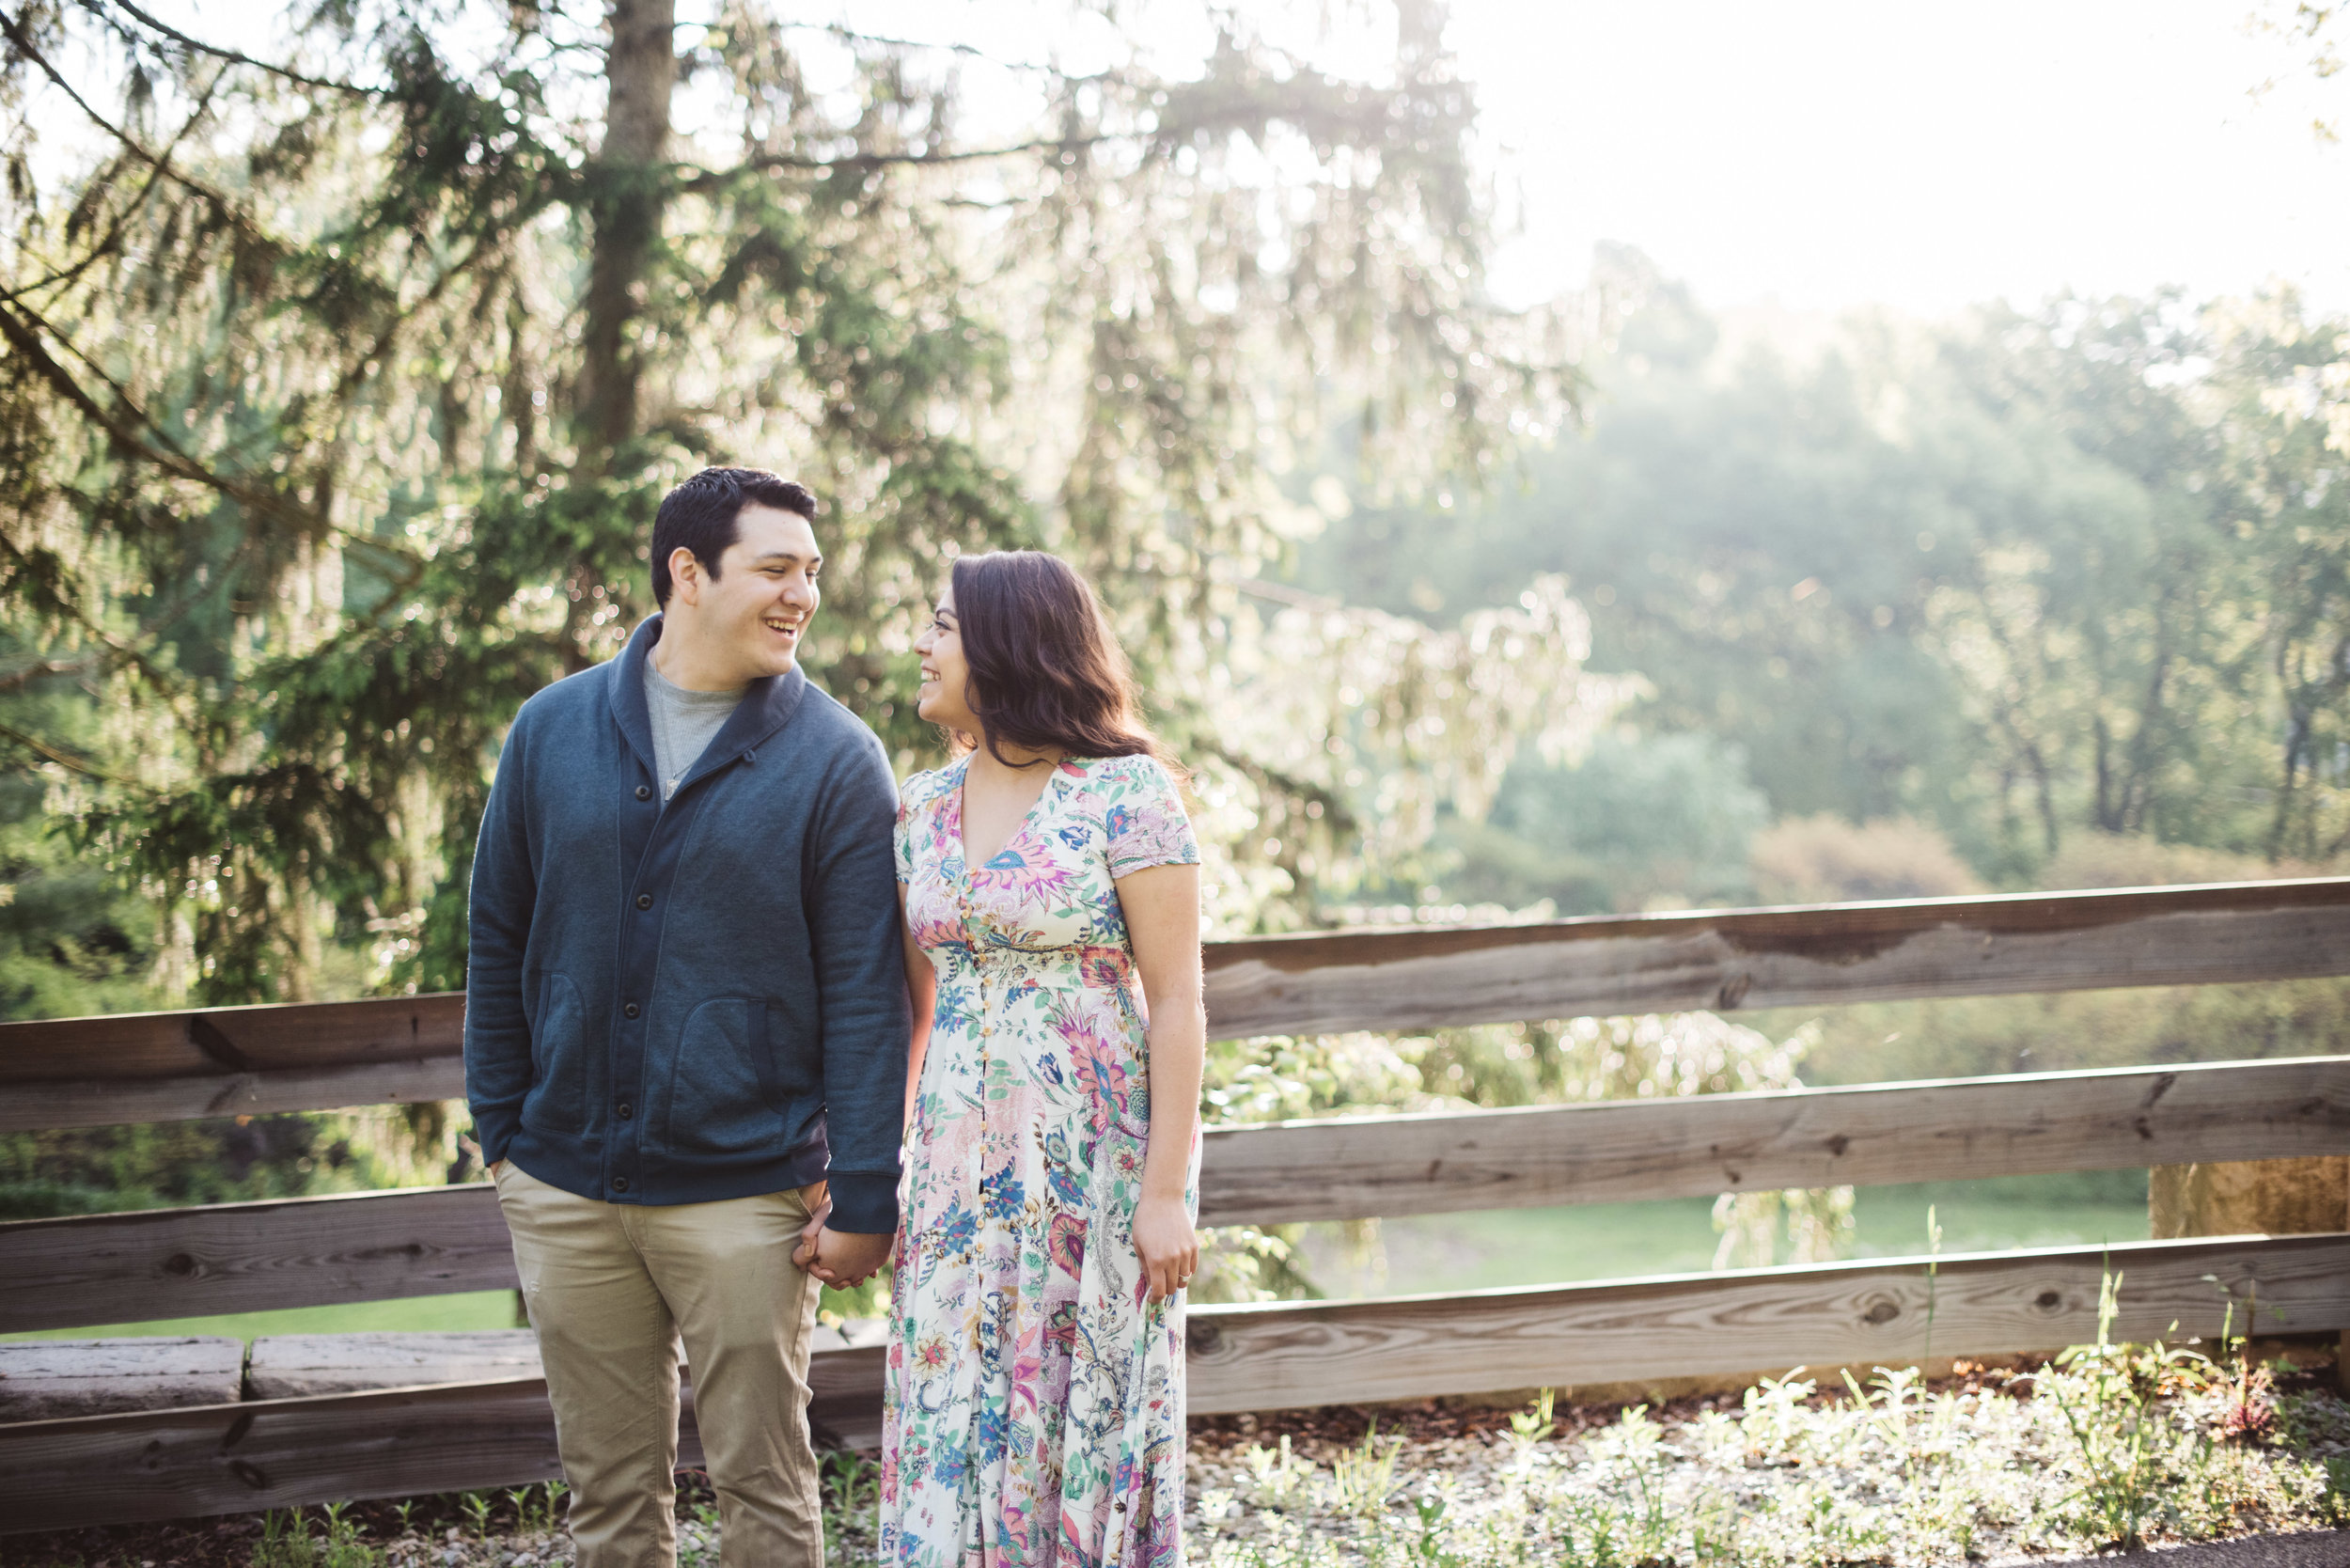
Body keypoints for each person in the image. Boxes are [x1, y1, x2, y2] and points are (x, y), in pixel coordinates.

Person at [464, 466, 911, 1568]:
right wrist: (502, 1135)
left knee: (765, 1488)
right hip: (562, 1182)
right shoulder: (551, 728)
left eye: (811, 572)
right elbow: (496, 937)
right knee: (607, 1499)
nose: (801, 594)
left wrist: (865, 1191)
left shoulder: (837, 759)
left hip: (748, 1192)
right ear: (687, 573)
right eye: (775, 569)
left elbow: (867, 992)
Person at [870, 550, 1206, 1568]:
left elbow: (1180, 999)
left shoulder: (1126, 793)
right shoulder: (920, 808)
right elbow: (911, 1007)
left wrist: (1161, 1194)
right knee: (952, 1408)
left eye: (942, 626)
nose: (920, 647)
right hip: (950, 1174)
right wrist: (887, 1168)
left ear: (1008, 644)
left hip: (1093, 1174)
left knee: (1078, 1405)